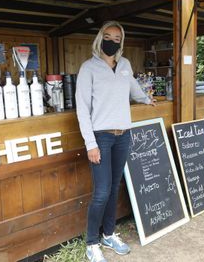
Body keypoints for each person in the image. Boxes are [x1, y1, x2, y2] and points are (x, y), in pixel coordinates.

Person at [75, 21, 156, 262]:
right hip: (101, 137)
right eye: (108, 36)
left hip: (124, 135)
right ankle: (92, 243)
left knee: (113, 188)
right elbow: (82, 109)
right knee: (101, 192)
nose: (112, 41)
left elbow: (133, 88)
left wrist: (145, 99)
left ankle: (108, 235)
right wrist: (90, 143)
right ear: (100, 38)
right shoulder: (88, 68)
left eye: (117, 38)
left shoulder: (125, 65)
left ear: (122, 41)